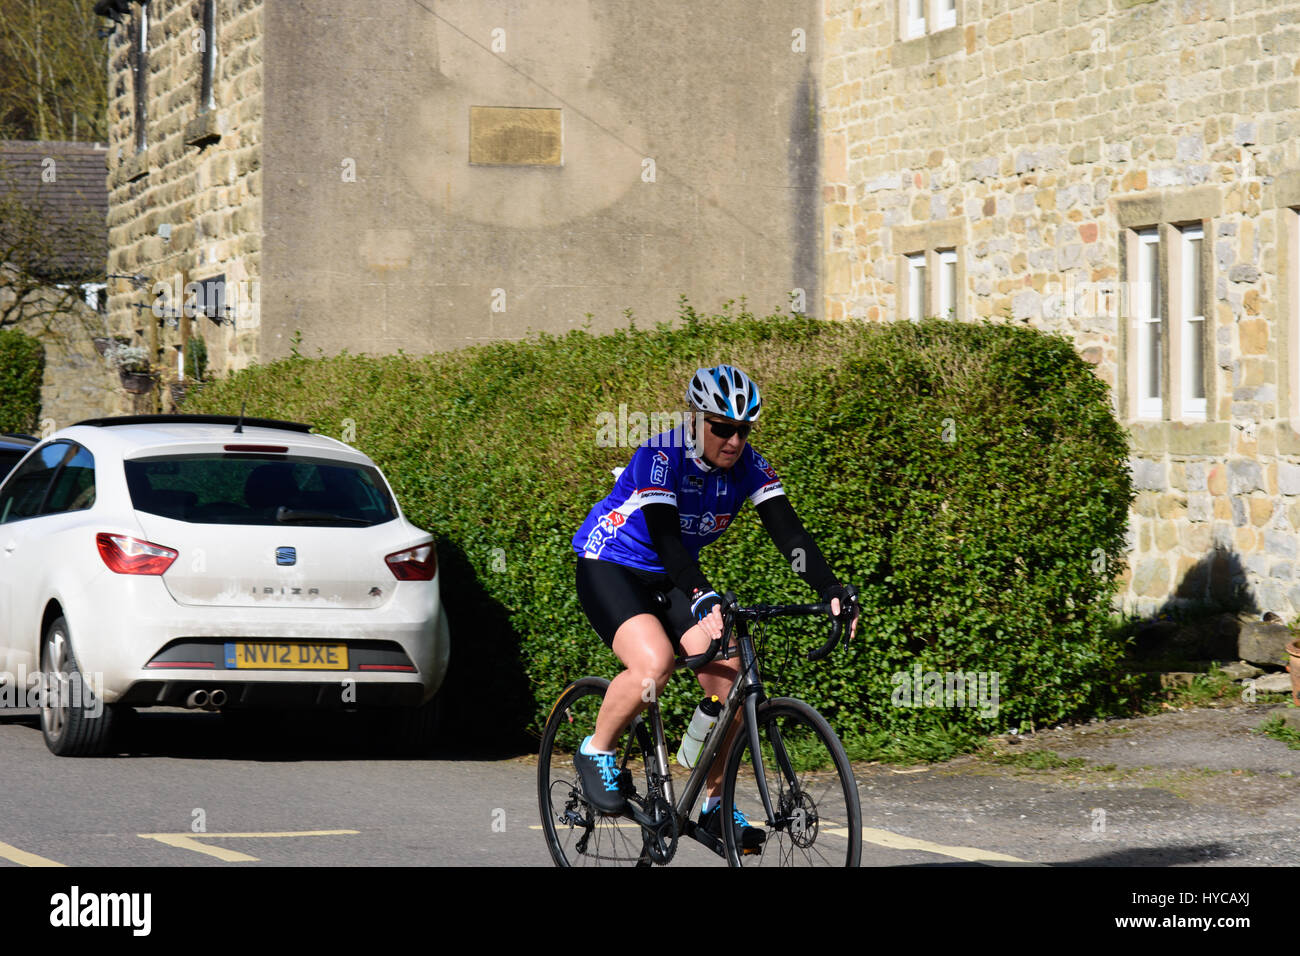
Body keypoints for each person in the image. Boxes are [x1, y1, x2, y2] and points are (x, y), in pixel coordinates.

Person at [570, 364, 858, 851]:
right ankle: (596, 748)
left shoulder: (750, 468)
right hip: (611, 565)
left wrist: (831, 587)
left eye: (743, 430)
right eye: (722, 428)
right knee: (653, 664)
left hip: (669, 576)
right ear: (696, 419)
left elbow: (790, 537)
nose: (733, 440)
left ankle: (714, 803)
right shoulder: (660, 456)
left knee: (732, 676)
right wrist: (702, 594)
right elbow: (665, 537)